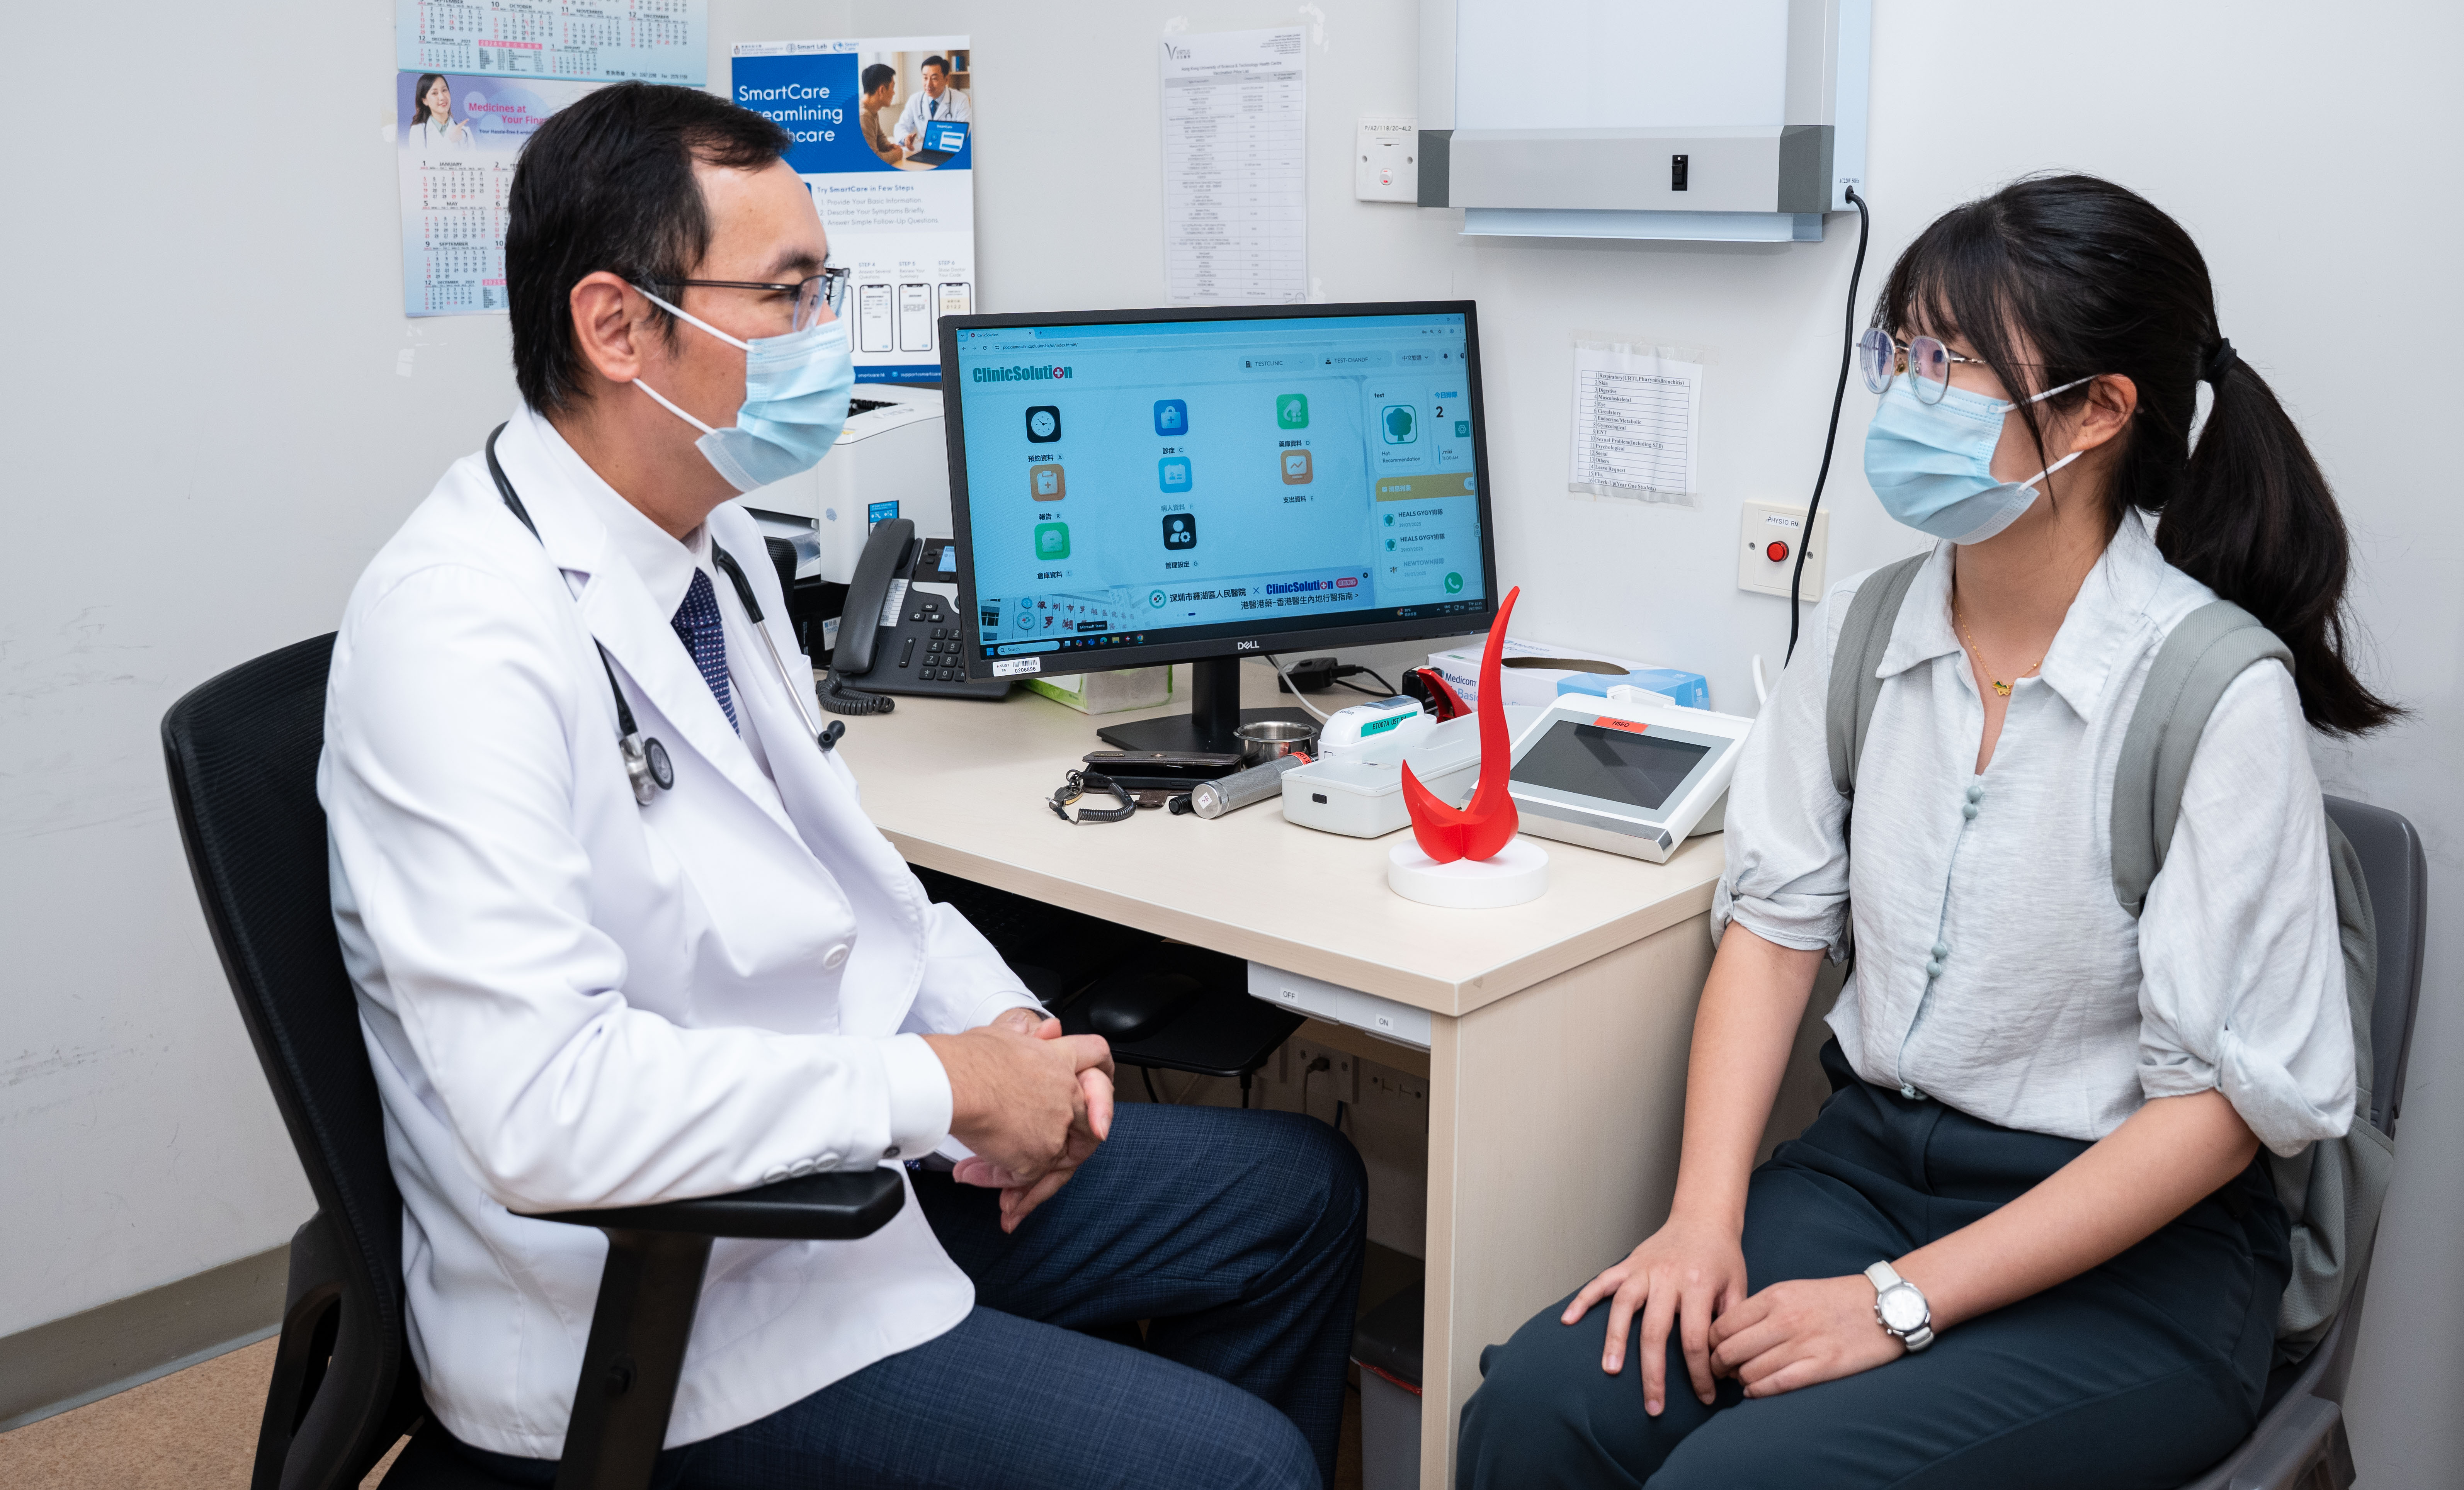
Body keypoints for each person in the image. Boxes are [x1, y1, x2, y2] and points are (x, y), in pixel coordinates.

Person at [321, 80, 1363, 1490]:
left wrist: (1011, 1034)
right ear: (617, 326)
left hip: (837, 1172)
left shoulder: (709, 544)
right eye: (789, 294)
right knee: (1237, 1468)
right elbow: (547, 1109)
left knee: (1296, 1194)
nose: (828, 336)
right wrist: (946, 1085)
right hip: (661, 1310)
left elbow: (848, 878)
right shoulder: (456, 632)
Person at [1457, 173, 2399, 1489]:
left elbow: (2216, 1118)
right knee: (1536, 1411)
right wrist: (1698, 1222)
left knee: (1740, 1482)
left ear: (2098, 410)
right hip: (1865, 1174)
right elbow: (1772, 934)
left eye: (1949, 362)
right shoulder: (1859, 630)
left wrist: (1897, 1301)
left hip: (2135, 1256)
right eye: (1896, 349)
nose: (1905, 392)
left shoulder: (2213, 695)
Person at [891, 53, 971, 151]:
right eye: (925, 78)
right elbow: (901, 126)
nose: (928, 84)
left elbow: (965, 134)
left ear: (947, 79)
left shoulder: (961, 100)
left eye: (934, 79)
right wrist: (905, 138)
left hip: (950, 152)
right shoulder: (915, 100)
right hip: (923, 151)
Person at [409, 73, 472, 151]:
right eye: (435, 93)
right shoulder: (418, 131)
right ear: (425, 101)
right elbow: (422, 159)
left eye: (444, 90)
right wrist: (452, 141)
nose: (442, 97)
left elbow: (472, 159)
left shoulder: (465, 132)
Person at [859, 61, 904, 165]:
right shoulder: (863, 116)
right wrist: (896, 155)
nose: (894, 93)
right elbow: (872, 160)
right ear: (882, 91)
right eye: (893, 87)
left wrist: (888, 146)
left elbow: (880, 137)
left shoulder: (872, 110)